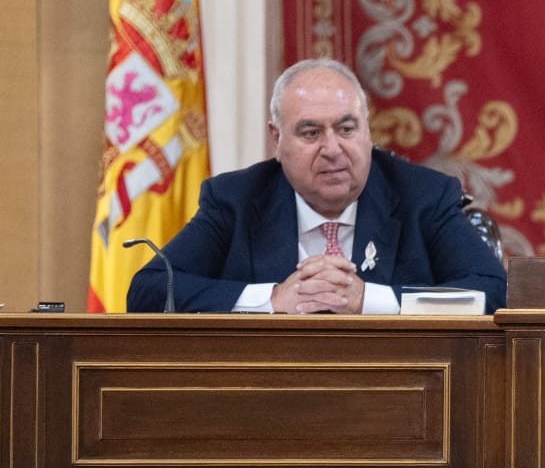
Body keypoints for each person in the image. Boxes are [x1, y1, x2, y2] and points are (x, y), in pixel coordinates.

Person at [126, 58, 507, 314]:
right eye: (310, 132)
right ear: (276, 139)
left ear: (366, 129)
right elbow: (149, 291)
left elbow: (494, 292)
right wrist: (272, 299)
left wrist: (368, 299)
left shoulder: (422, 197)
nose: (332, 149)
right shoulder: (236, 201)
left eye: (346, 129)